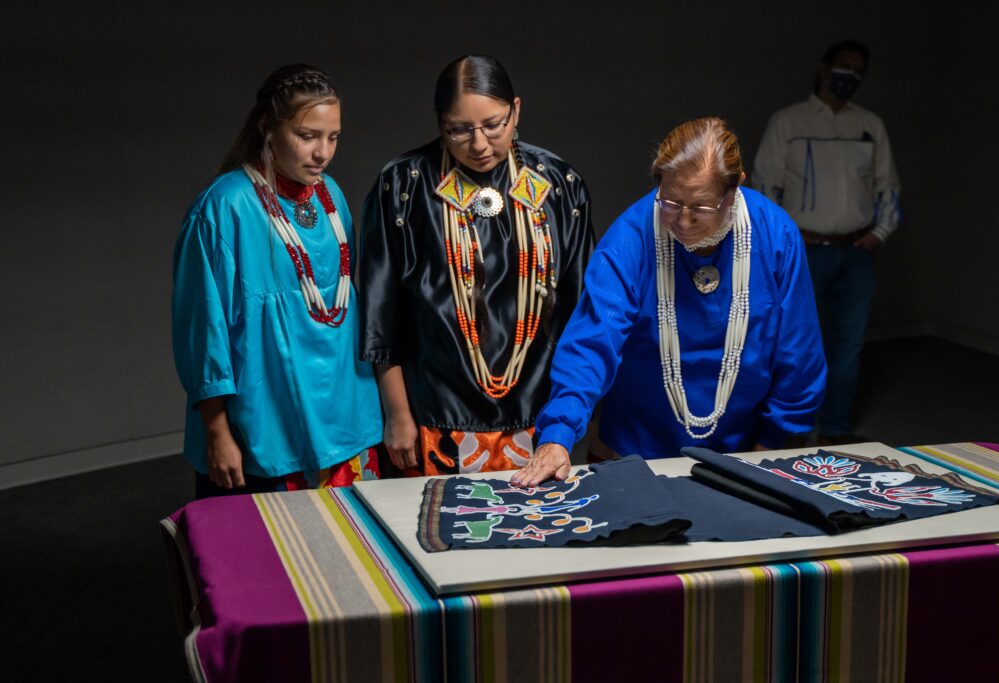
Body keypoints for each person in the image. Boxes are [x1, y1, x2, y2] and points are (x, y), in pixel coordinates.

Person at [512, 117, 825, 487]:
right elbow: (593, 340)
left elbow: (798, 353)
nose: (684, 220)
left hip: (749, 444)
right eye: (671, 201)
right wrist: (558, 434)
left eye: (702, 207)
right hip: (632, 443)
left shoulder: (775, 235)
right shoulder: (632, 235)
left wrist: (769, 445)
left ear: (735, 188)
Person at [359, 55, 594, 477]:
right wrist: (397, 416)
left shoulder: (560, 186)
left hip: (539, 419)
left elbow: (580, 316)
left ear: (517, 110)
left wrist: (565, 424)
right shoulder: (404, 186)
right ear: (439, 122)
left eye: (494, 125)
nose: (480, 144)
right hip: (433, 416)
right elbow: (382, 313)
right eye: (460, 129)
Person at [172, 64, 383, 498]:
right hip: (266, 419)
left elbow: (339, 305)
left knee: (350, 551)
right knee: (272, 553)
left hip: (344, 413)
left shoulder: (331, 196)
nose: (322, 152)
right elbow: (204, 329)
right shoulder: (225, 207)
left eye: (333, 137)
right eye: (307, 135)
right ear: (268, 128)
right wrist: (217, 431)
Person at [751, 40, 901, 446]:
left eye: (858, 70)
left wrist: (878, 234)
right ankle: (791, 428)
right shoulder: (788, 122)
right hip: (804, 253)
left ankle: (836, 428)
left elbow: (888, 188)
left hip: (856, 254)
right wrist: (786, 243)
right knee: (794, 343)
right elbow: (765, 190)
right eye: (843, 66)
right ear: (823, 69)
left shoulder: (870, 125)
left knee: (848, 346)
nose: (849, 75)